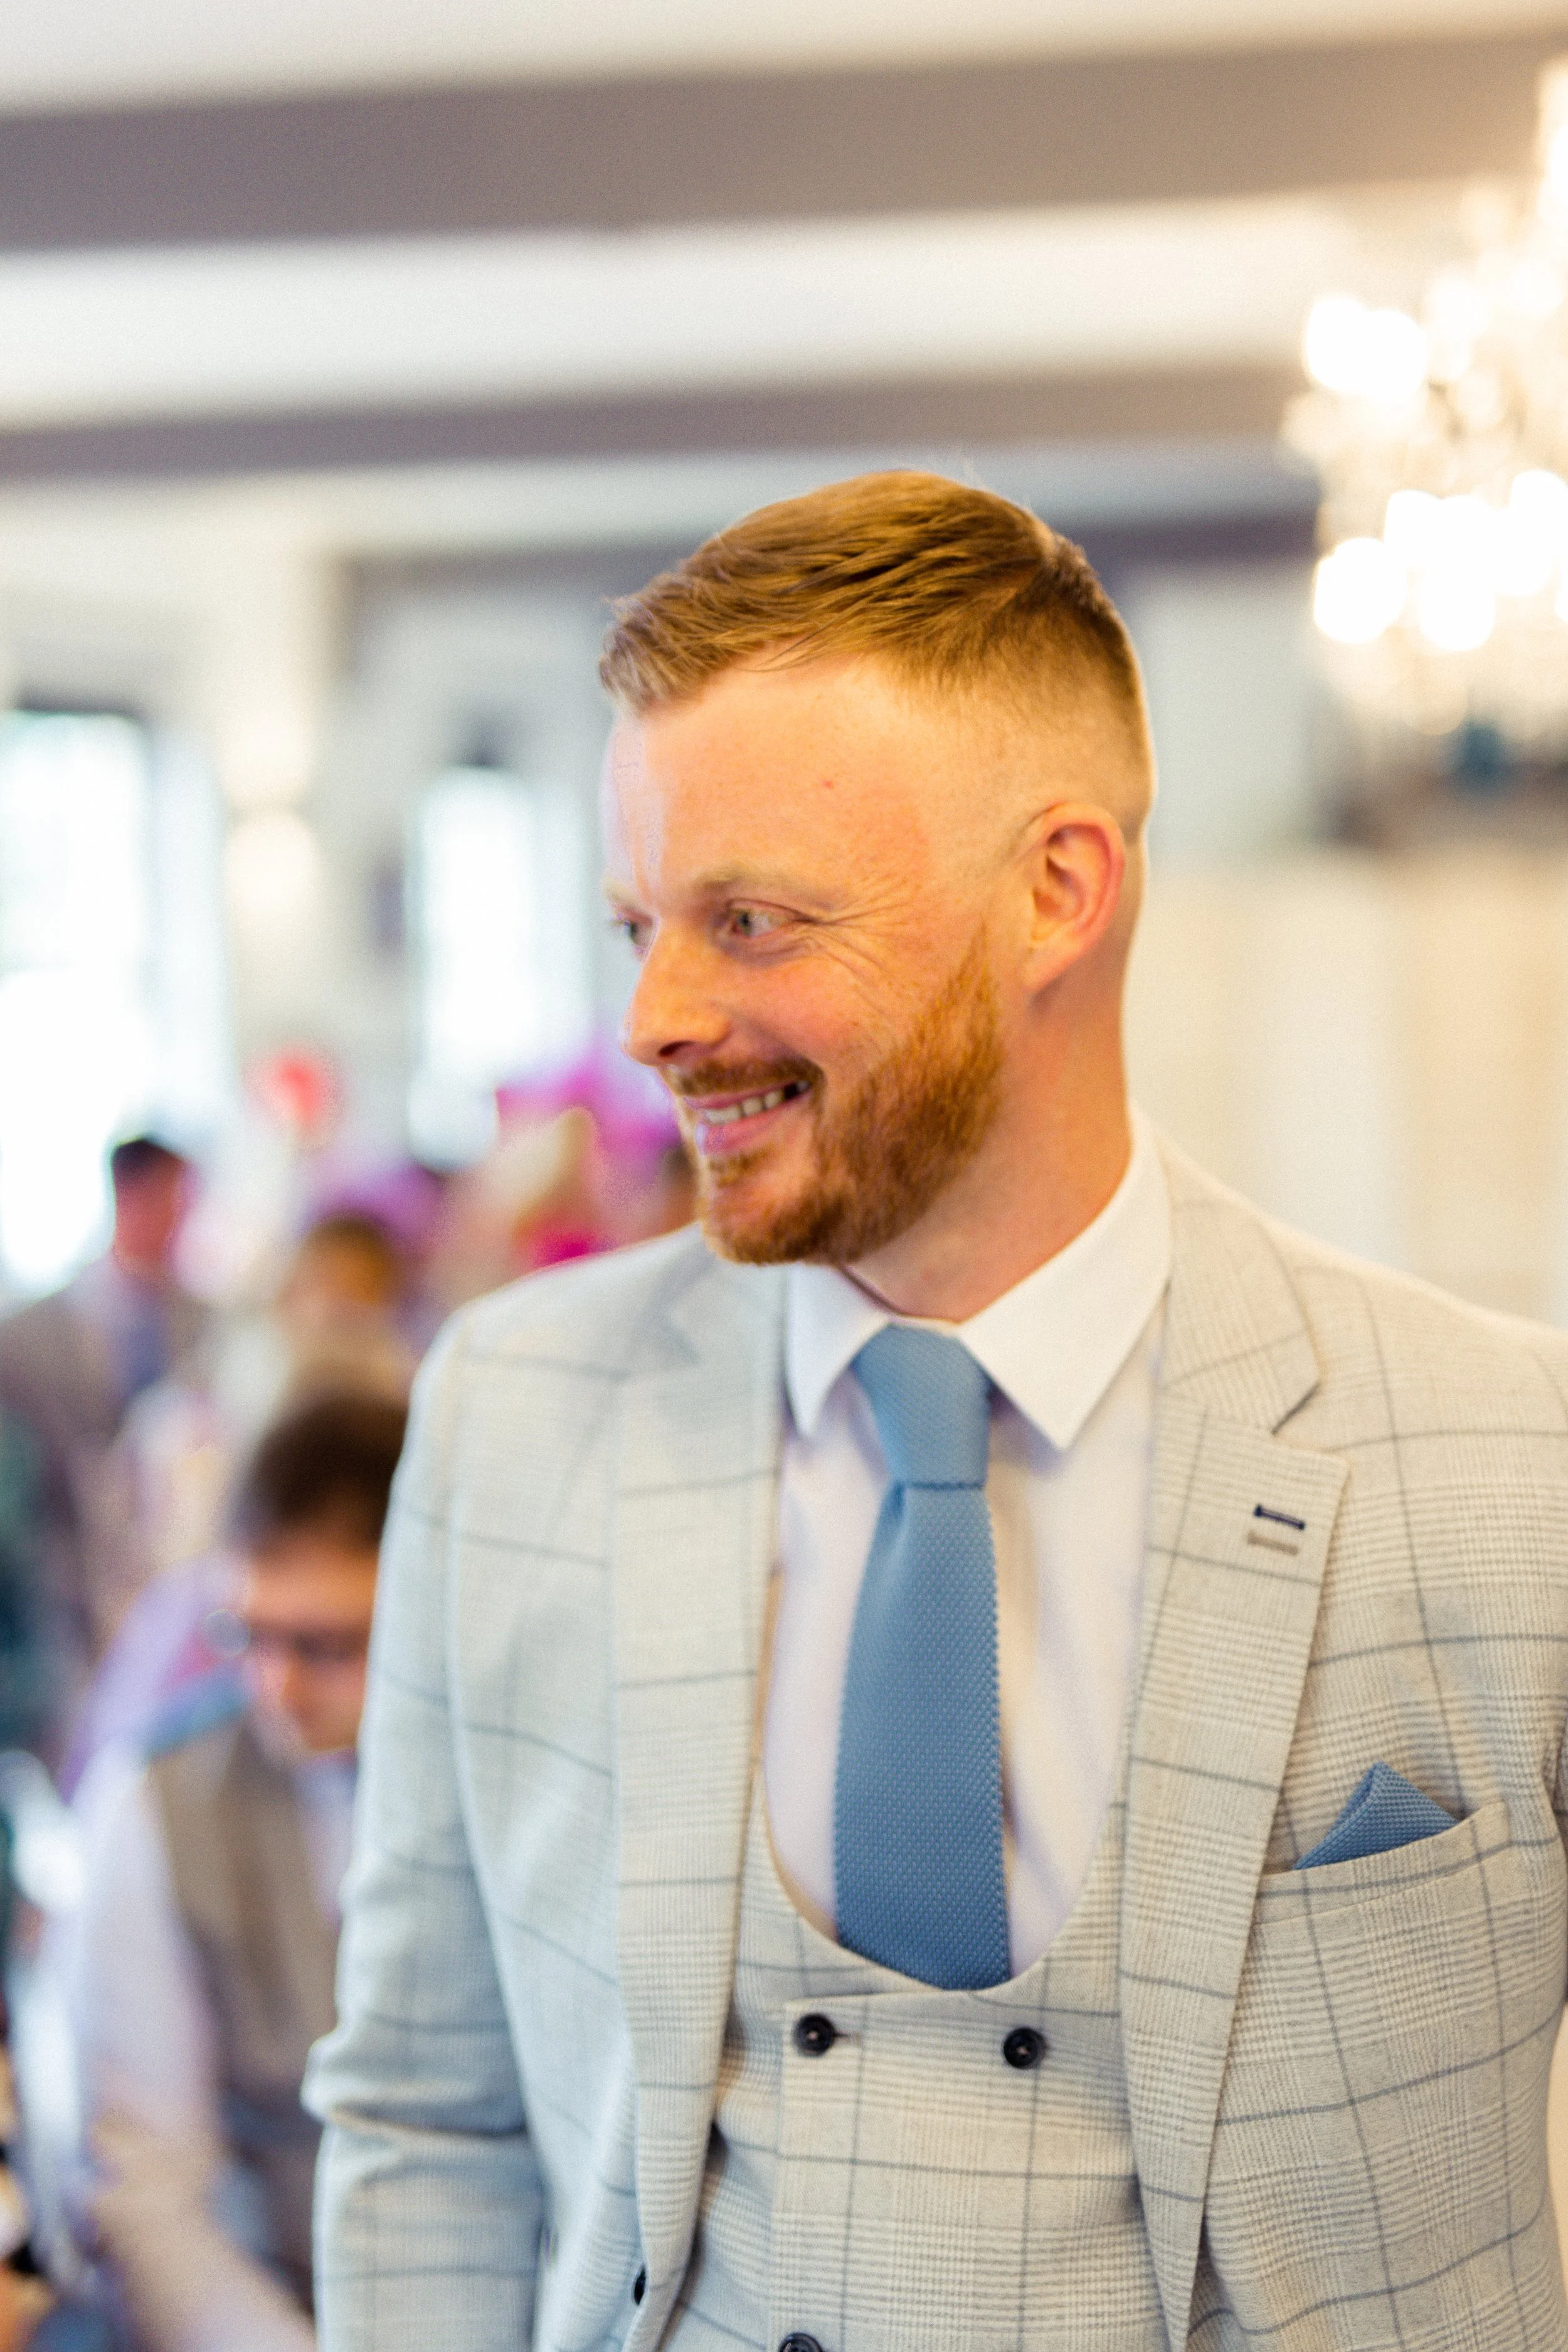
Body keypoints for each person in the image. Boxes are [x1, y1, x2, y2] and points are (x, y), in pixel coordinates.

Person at [307, 472, 1568, 2350]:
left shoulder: (1511, 1461)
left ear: (1056, 890)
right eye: (638, 921)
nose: (653, 1016)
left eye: (747, 919)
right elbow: (425, 2113)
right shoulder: (511, 1415)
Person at [58, 1392, 405, 2352]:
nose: (275, 1685)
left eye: (328, 1645)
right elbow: (147, 2189)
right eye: (248, 1633)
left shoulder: (537, 1783)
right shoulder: (158, 1802)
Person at [0, 1140, 204, 1717]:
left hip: (171, 1590)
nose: (182, 1222)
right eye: (173, 1202)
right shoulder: (24, 1338)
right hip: (61, 1602)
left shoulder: (206, 1322)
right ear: (128, 1195)